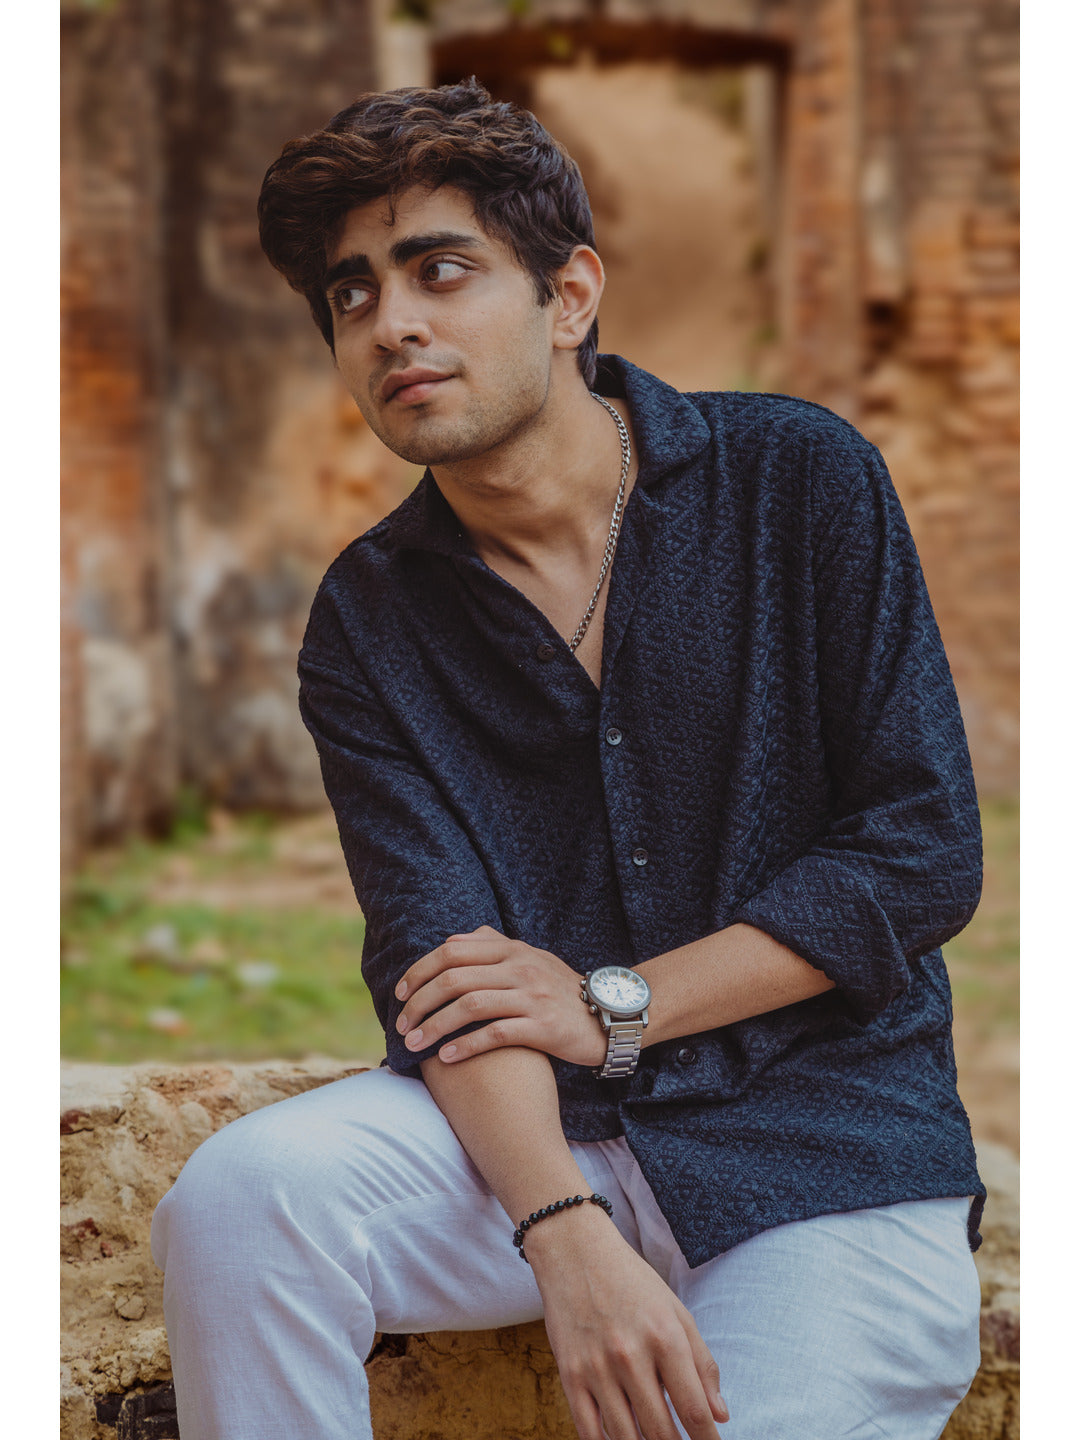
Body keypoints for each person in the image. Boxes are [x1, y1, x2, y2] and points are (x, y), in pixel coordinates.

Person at [151, 78, 986, 1440]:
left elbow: (916, 854)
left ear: (570, 296)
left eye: (440, 270)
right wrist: (562, 1230)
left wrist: (615, 1007)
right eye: (353, 296)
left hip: (824, 1145)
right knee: (245, 1203)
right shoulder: (370, 617)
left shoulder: (797, 479)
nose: (392, 322)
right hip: (533, 1145)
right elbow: (443, 969)